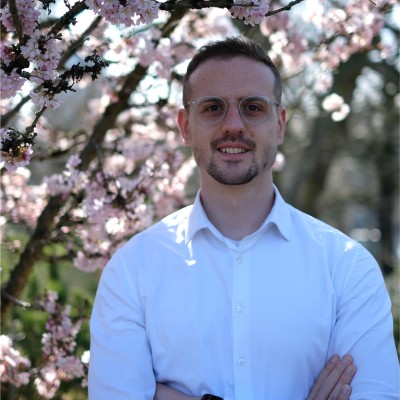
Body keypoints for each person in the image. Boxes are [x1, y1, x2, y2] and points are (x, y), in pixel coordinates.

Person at [88, 37, 399, 399]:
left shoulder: (346, 268)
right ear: (185, 127)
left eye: (253, 107)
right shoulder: (132, 270)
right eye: (212, 108)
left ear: (279, 124)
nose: (233, 125)